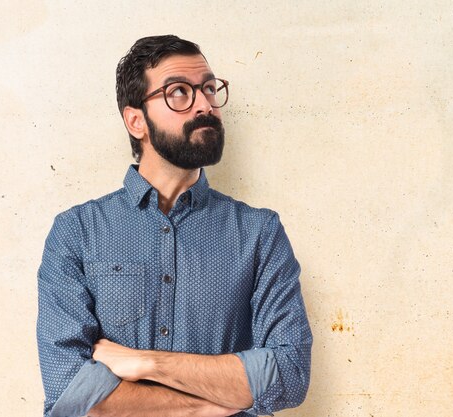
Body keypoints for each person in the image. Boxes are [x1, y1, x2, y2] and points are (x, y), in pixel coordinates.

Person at [36, 35, 312, 417]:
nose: (205, 105)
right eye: (179, 92)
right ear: (136, 121)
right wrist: (214, 403)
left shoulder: (259, 233)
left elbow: (289, 375)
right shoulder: (76, 233)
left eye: (210, 89)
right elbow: (70, 390)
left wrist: (149, 363)